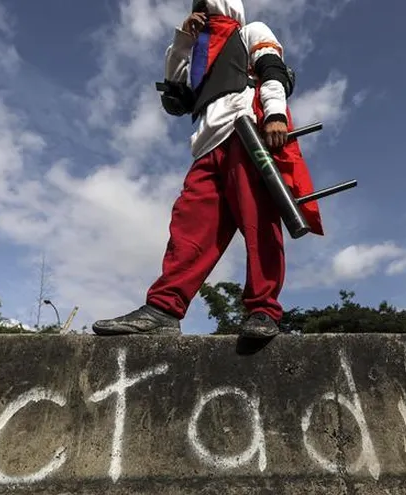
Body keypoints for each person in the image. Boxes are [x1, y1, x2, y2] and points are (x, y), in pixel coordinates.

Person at [92, 0, 323, 339]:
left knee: (259, 222)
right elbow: (176, 98)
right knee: (188, 228)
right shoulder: (196, 56)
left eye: (207, 6)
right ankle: (164, 309)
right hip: (205, 145)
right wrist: (185, 40)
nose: (202, 13)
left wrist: (275, 114)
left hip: (247, 133)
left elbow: (273, 70)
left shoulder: (250, 32)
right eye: (197, 8)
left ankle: (263, 310)